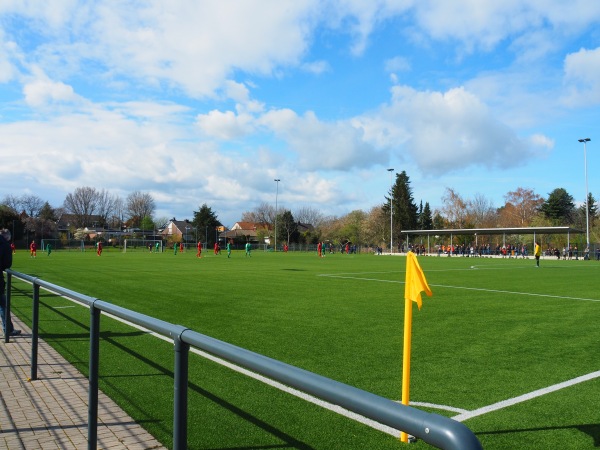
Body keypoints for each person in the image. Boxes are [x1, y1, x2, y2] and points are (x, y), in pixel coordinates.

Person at [0, 229, 20, 336]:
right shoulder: (5, 245)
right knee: (3, 305)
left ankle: (9, 329)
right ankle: (8, 330)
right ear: (7, 237)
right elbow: (7, 264)